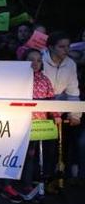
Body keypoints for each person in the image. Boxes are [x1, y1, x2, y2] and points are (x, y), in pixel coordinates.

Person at [19, 48, 61, 196]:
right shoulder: (18, 78)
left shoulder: (45, 80)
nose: (35, 63)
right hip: (20, 123)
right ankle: (11, 183)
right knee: (19, 154)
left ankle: (28, 183)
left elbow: (51, 100)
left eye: (38, 60)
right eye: (31, 59)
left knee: (32, 154)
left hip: (38, 124)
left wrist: (56, 115)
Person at [42, 31, 82, 184]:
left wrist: (75, 115)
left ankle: (59, 174)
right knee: (48, 145)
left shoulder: (70, 64)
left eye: (68, 46)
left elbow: (73, 92)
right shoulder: (40, 60)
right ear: (51, 47)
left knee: (65, 141)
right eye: (61, 47)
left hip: (60, 109)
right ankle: (42, 177)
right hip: (41, 107)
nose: (66, 50)